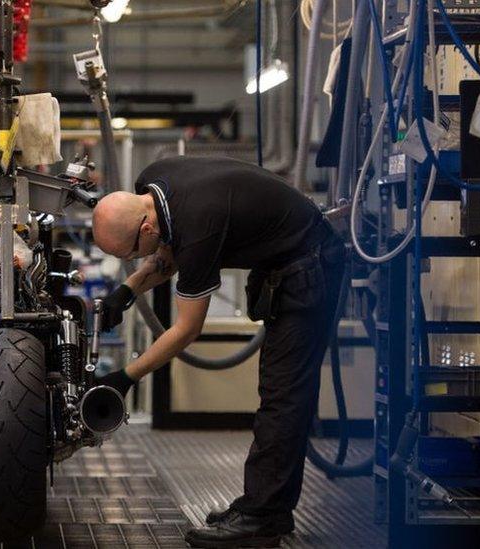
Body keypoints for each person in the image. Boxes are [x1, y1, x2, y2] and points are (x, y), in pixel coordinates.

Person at [91, 156, 345, 549]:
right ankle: (264, 507)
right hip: (284, 263)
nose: (134, 262)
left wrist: (126, 377)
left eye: (130, 254)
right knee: (280, 396)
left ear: (144, 227)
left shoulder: (200, 224)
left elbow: (187, 329)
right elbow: (167, 251)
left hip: (311, 266)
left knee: (282, 399)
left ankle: (262, 520)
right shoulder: (153, 183)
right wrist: (127, 291)